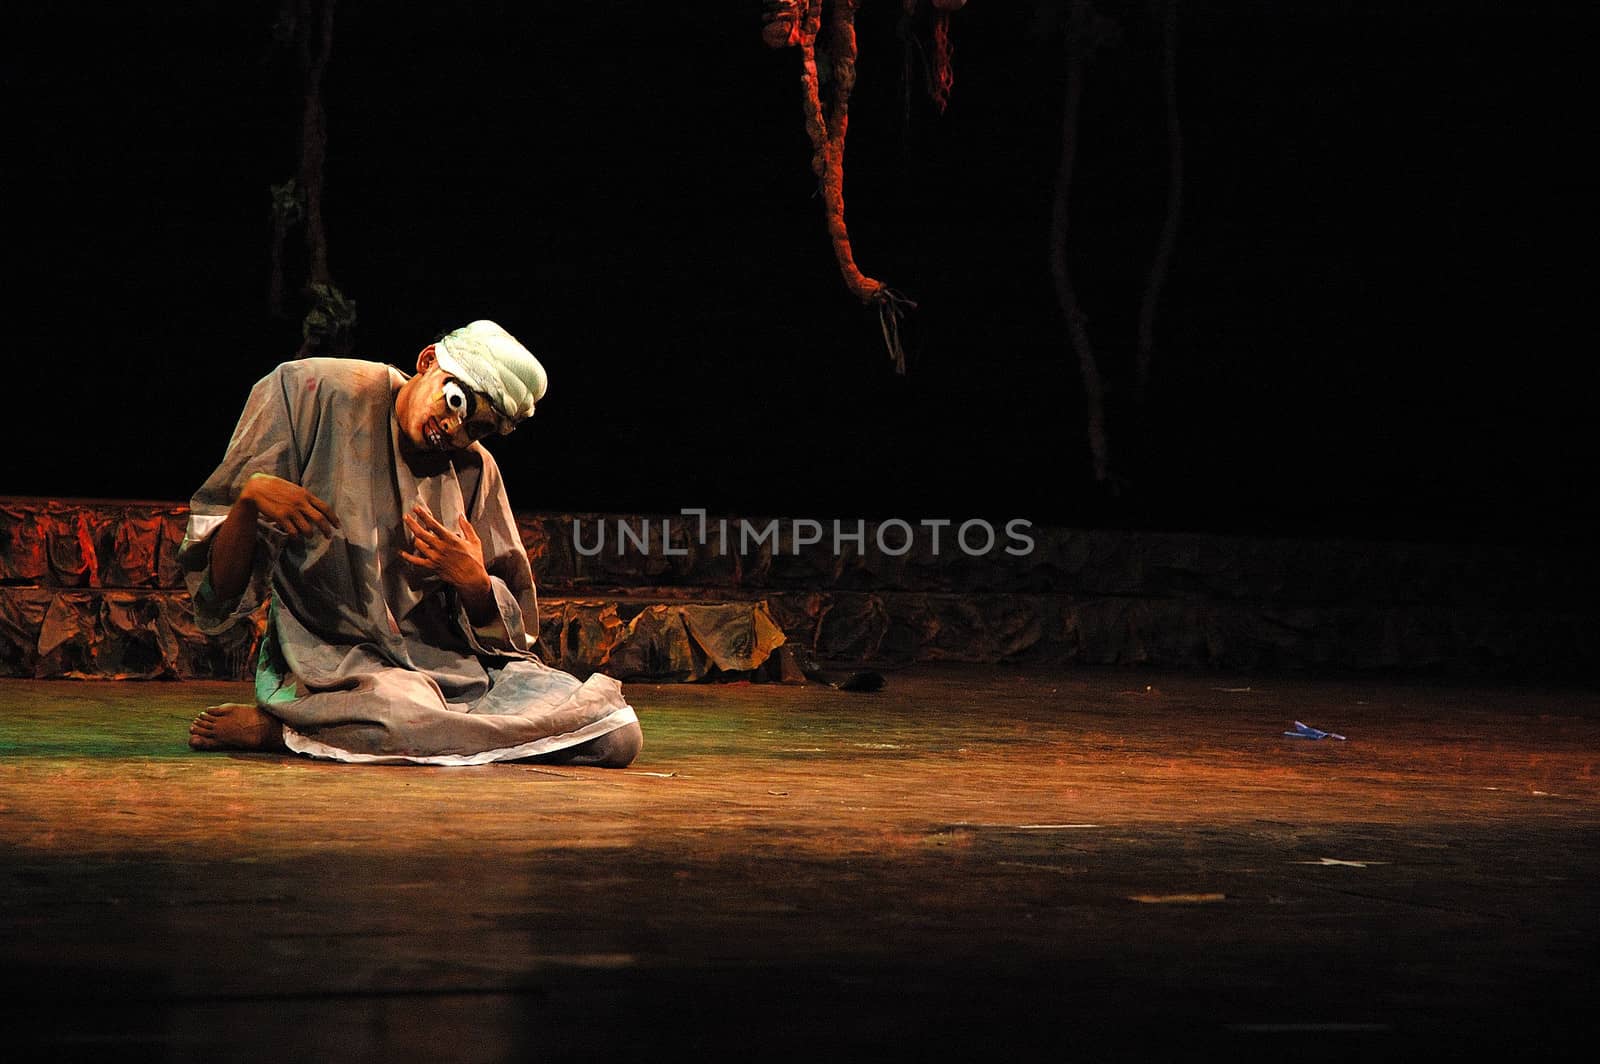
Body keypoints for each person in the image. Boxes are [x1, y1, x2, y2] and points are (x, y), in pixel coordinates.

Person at [180, 320, 642, 767]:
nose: (454, 430)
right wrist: (248, 502)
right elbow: (218, 596)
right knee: (403, 713)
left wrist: (475, 583)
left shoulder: (474, 470)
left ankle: (342, 734)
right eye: (456, 402)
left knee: (615, 731)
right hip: (343, 672)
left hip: (451, 672)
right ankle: (286, 729)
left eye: (476, 429)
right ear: (427, 362)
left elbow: (511, 638)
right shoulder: (307, 393)